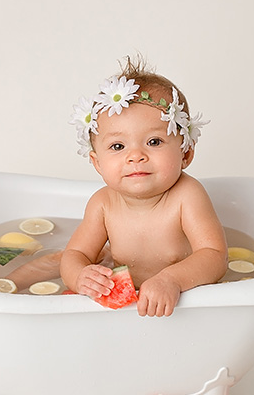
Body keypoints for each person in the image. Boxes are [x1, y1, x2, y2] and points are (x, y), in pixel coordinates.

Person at [57, 57, 227, 316]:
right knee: (50, 262)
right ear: (97, 163)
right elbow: (75, 253)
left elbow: (214, 256)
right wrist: (80, 275)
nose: (135, 156)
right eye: (118, 146)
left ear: (186, 153)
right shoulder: (103, 203)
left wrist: (172, 280)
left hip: (181, 298)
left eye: (154, 142)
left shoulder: (187, 196)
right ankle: (5, 287)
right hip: (124, 296)